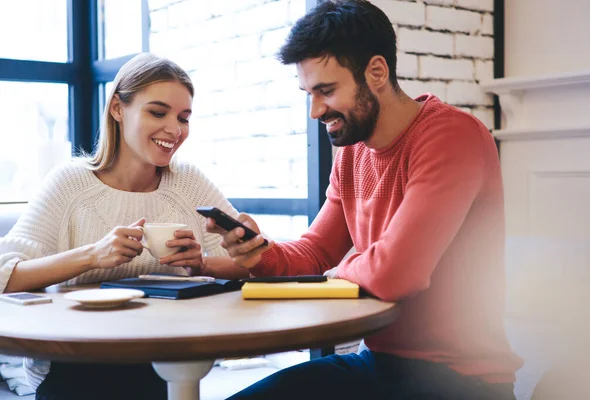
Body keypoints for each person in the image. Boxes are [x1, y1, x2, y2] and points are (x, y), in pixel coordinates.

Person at [208, 1, 523, 399]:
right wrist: (260, 254)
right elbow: (317, 249)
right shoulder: (352, 153)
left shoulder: (452, 137)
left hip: (462, 378)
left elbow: (396, 273)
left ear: (376, 71)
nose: (315, 110)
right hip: (379, 364)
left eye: (326, 91)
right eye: (308, 93)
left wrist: (343, 270)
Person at [0, 53, 249, 400]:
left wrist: (200, 263)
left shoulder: (188, 182)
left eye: (184, 118)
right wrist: (92, 255)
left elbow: (249, 261)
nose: (175, 130)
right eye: (158, 112)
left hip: (165, 358)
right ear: (118, 108)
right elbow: (4, 276)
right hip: (76, 363)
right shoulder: (69, 183)